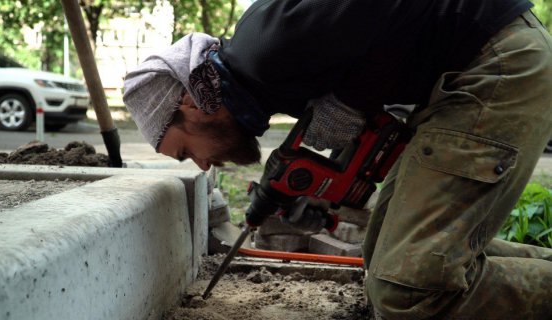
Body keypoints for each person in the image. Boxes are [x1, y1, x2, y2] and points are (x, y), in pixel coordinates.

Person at [123, 0, 552, 318]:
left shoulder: (270, 41)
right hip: (464, 75)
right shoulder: (266, 72)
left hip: (496, 63)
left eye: (183, 150)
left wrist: (353, 98)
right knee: (388, 253)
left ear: (190, 102)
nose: (200, 165)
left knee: (406, 291)